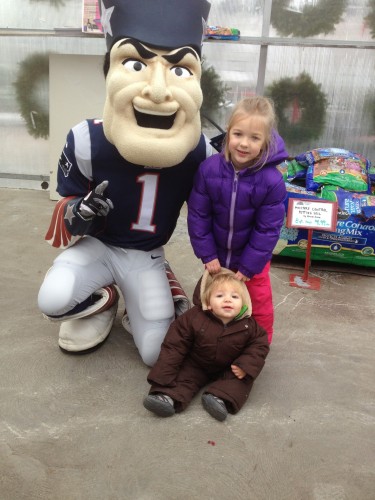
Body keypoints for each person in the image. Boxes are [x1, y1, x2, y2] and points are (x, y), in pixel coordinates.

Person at [37, 0, 212, 366]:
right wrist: (80, 211)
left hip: (145, 255)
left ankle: (155, 289)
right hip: (99, 246)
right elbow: (65, 203)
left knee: (155, 354)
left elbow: (218, 208)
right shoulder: (87, 139)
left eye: (179, 69)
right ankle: (104, 299)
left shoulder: (200, 151)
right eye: (136, 64)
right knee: (52, 299)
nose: (159, 91)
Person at [187, 96, 288, 344]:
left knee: (259, 305)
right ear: (228, 133)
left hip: (252, 264)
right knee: (209, 300)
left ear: (265, 143)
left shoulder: (272, 181)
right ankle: (209, 342)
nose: (244, 144)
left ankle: (257, 346)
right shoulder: (208, 169)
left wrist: (248, 267)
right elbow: (199, 215)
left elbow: (267, 231)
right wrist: (207, 254)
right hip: (217, 258)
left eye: (254, 138)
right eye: (238, 134)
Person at [143, 269, 269, 421]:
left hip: (230, 366)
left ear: (243, 303)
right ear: (208, 303)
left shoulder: (249, 325)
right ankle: (166, 397)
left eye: (235, 296)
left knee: (240, 380)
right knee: (183, 374)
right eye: (220, 295)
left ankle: (219, 398)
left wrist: (246, 365)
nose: (228, 300)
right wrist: (163, 372)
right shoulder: (193, 318)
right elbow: (175, 344)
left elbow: (259, 345)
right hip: (197, 362)